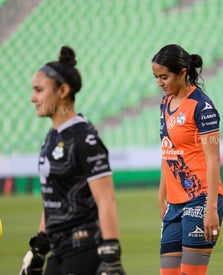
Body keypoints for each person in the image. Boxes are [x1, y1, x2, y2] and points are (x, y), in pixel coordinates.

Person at [20, 46, 126, 275]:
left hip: (84, 249)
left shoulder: (84, 138)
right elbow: (52, 198)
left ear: (63, 90)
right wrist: (40, 248)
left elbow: (106, 199)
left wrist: (111, 255)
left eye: (39, 90)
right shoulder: (51, 137)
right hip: (58, 251)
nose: (32, 98)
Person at [152, 44, 223, 275]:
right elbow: (168, 151)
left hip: (200, 200)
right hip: (174, 204)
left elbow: (213, 161)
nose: (159, 83)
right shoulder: (165, 104)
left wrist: (211, 208)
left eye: (164, 77)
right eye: (156, 77)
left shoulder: (202, 107)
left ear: (182, 73)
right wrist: (162, 194)